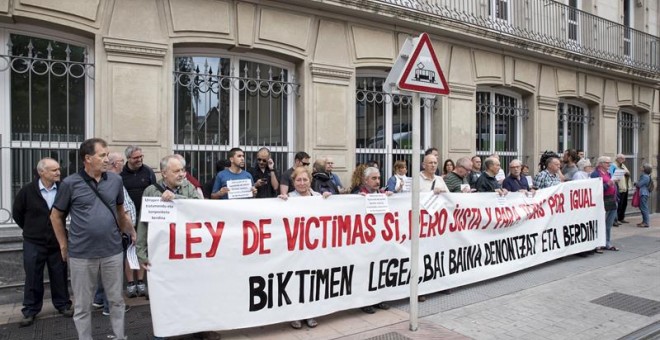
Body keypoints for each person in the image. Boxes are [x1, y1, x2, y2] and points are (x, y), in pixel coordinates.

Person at [50, 138, 136, 340]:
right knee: (82, 304)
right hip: (81, 254)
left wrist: (131, 231)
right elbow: (55, 216)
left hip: (112, 251)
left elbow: (120, 211)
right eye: (102, 155)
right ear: (87, 159)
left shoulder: (115, 180)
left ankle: (119, 336)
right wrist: (63, 244)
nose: (107, 159)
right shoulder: (70, 184)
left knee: (116, 300)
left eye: (107, 155)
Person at [136, 155, 201, 340]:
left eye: (182, 170)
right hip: (161, 254)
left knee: (189, 292)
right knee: (162, 295)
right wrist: (141, 252)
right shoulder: (150, 191)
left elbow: (199, 208)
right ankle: (162, 332)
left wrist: (176, 198)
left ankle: (192, 329)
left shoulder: (188, 187)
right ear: (164, 173)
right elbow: (143, 222)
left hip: (185, 252)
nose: (181, 174)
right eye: (176, 171)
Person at [12, 158, 73, 327]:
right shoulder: (27, 191)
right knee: (32, 276)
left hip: (57, 241)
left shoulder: (63, 189)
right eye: (54, 170)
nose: (58, 173)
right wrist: (32, 229)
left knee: (59, 273)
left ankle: (63, 305)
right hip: (33, 242)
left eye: (58, 169)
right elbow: (17, 213)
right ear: (41, 172)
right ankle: (30, 310)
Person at [277, 167, 330, 329]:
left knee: (311, 280)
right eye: (298, 180)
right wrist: (279, 204)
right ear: (293, 182)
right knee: (295, 280)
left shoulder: (318, 197)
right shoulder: (288, 199)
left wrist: (329, 200)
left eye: (305, 180)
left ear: (310, 181)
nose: (301, 183)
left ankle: (310, 313)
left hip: (314, 248)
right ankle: (295, 315)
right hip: (295, 249)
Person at [94, 152, 136, 316]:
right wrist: (130, 230)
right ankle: (110, 306)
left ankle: (99, 298)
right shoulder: (112, 181)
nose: (123, 164)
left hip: (112, 231)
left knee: (106, 267)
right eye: (121, 161)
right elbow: (122, 210)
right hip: (116, 232)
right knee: (113, 269)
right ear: (114, 164)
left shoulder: (109, 180)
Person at [120, 145, 156, 297]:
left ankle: (141, 282)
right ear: (128, 158)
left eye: (141, 156)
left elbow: (154, 190)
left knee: (142, 249)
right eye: (136, 157)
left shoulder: (148, 171)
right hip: (128, 218)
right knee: (129, 251)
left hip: (145, 217)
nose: (139, 160)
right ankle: (130, 283)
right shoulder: (121, 174)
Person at [591, 156, 619, 252]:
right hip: (602, 201)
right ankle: (598, 243)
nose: (609, 164)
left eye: (610, 162)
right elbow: (595, 189)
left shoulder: (608, 173)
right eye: (607, 163)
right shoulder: (595, 174)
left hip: (612, 199)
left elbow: (612, 185)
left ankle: (607, 242)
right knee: (600, 223)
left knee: (609, 224)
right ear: (601, 163)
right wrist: (608, 184)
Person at [610, 154, 631, 226]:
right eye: (622, 158)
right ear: (618, 158)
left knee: (624, 203)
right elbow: (612, 175)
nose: (623, 160)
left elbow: (628, 172)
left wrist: (626, 172)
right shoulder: (614, 165)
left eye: (624, 159)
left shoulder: (623, 165)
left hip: (625, 186)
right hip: (619, 186)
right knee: (619, 203)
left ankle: (621, 217)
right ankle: (617, 218)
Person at [635, 163, 653, 228]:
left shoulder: (645, 176)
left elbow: (639, 185)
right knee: (643, 208)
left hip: (643, 193)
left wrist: (636, 183)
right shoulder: (645, 175)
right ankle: (644, 221)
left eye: (642, 166)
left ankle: (646, 223)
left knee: (644, 208)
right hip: (643, 193)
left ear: (644, 169)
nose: (640, 167)